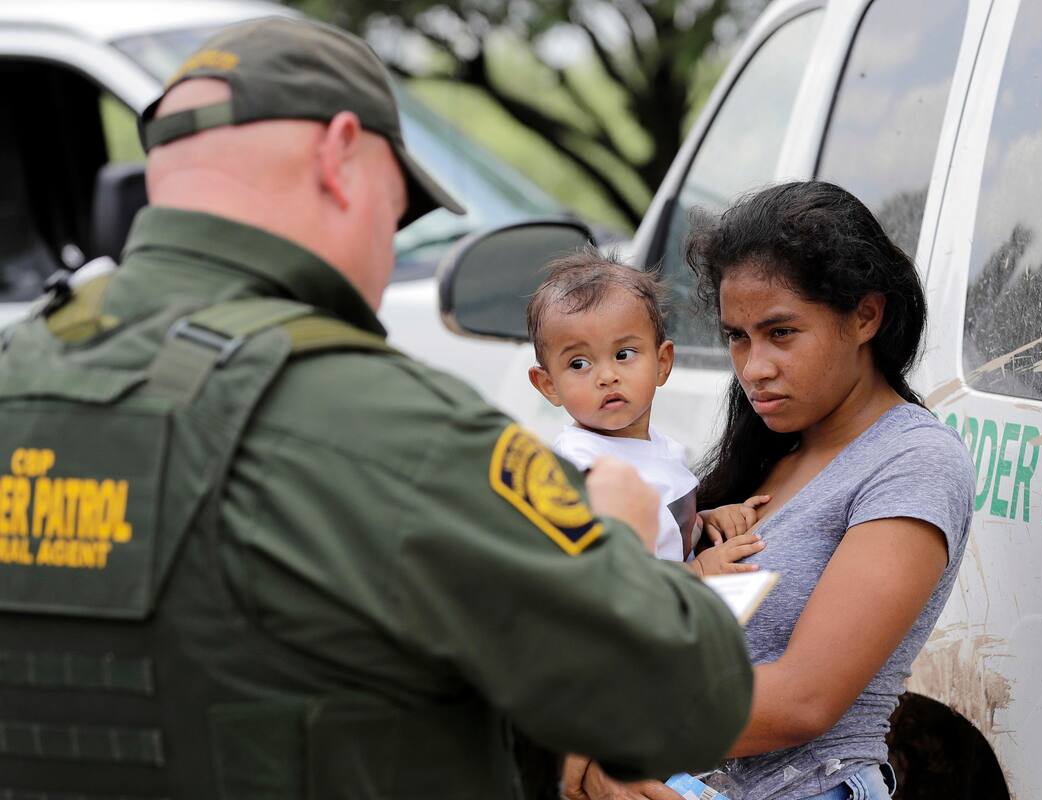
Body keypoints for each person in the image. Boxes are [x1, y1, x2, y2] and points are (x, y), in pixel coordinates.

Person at [0, 17, 754, 800]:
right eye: (395, 212)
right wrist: (620, 548)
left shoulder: (17, 373)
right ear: (339, 156)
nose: (388, 255)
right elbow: (692, 700)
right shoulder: (390, 425)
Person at [570, 182, 974, 800]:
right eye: (738, 336)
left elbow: (803, 700)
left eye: (781, 332)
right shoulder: (763, 454)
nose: (754, 367)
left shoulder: (912, 461)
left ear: (866, 315)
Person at [525, 249, 769, 576]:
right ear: (548, 384)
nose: (606, 376)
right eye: (579, 363)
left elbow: (661, 532)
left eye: (623, 354)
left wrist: (704, 522)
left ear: (662, 363)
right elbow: (615, 576)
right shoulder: (583, 470)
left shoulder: (658, 447)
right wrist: (698, 570)